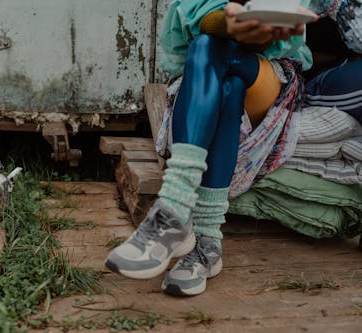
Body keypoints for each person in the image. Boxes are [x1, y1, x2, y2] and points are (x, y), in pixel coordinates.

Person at [105, 0, 318, 297]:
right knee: (225, 78)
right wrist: (226, 24)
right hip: (210, 72)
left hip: (268, 72)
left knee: (211, 50)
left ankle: (172, 209)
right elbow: (189, 16)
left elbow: (289, 24)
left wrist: (259, 31)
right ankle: (207, 242)